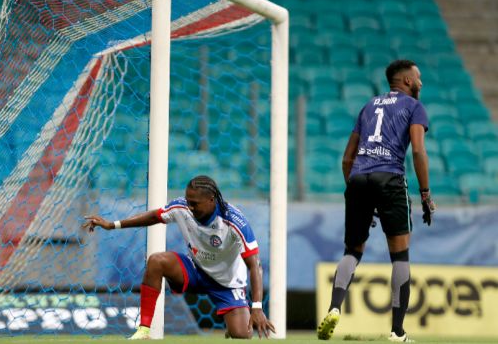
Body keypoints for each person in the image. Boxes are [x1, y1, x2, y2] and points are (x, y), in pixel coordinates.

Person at [317, 59, 436, 342]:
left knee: (353, 251)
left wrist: (356, 192)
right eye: (418, 78)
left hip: (358, 178)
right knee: (400, 255)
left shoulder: (368, 105)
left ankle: (334, 307)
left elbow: (347, 158)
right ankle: (397, 332)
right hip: (390, 177)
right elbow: (418, 151)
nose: (421, 83)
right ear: (407, 81)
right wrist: (426, 194)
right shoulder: (414, 107)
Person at [84, 175, 276, 340]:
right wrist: (112, 225)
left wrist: (257, 307)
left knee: (241, 335)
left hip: (228, 283)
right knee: (157, 261)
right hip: (196, 269)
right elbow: (154, 216)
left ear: (211, 200)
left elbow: (254, 264)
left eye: (195, 203)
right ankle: (143, 330)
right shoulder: (182, 207)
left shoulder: (234, 221)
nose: (189, 207)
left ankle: (233, 325)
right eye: (187, 200)